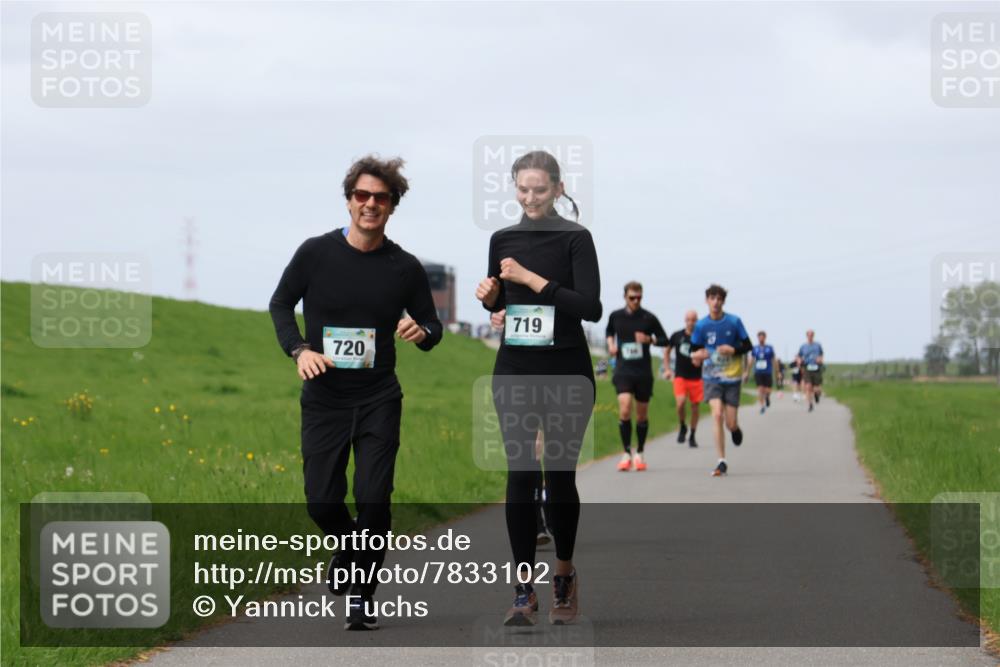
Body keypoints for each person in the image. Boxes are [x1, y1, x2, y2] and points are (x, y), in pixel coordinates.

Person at [269, 156, 443, 631]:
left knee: (373, 500)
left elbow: (433, 326)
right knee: (322, 503)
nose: (370, 204)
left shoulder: (404, 267)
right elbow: (281, 303)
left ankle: (361, 599)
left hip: (378, 398)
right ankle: (349, 547)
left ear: (392, 206)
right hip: (324, 398)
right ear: (349, 200)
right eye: (362, 196)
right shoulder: (315, 253)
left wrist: (420, 331)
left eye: (380, 198)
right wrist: (299, 348)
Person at [476, 150, 601, 626]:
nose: (530, 198)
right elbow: (503, 302)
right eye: (523, 189)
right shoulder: (501, 238)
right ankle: (523, 588)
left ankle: (564, 574)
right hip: (514, 367)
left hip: (566, 369)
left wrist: (531, 278)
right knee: (521, 475)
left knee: (559, 477)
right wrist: (493, 303)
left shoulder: (576, 239)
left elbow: (589, 306)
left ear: (558, 188)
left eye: (540, 190)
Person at [492, 309, 552, 546]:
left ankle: (551, 507)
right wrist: (495, 312)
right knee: (530, 451)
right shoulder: (509, 275)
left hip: (552, 368)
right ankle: (536, 522)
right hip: (516, 369)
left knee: (550, 455)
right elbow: (495, 300)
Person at [690, 284, 752, 477]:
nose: (715, 302)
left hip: (732, 378)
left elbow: (748, 346)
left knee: (730, 423)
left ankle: (735, 429)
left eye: (719, 299)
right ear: (707, 301)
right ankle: (721, 460)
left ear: (723, 301)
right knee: (717, 415)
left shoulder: (734, 322)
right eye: (712, 298)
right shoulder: (701, 326)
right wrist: (698, 356)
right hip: (711, 378)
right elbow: (694, 352)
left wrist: (733, 350)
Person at [605, 281, 668, 472]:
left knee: (641, 414)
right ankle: (626, 453)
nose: (636, 301)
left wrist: (649, 339)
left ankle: (639, 452)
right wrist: (611, 345)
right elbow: (609, 331)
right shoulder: (616, 316)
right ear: (625, 296)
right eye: (632, 297)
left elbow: (665, 339)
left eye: (639, 297)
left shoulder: (648, 318)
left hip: (643, 372)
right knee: (624, 408)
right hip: (623, 370)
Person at [663, 310, 702, 448]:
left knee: (695, 407)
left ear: (697, 321)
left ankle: (692, 434)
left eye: (694, 320)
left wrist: (700, 358)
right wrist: (667, 369)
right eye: (689, 320)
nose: (691, 322)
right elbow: (666, 350)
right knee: (680, 403)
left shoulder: (700, 336)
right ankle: (682, 426)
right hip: (680, 375)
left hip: (697, 377)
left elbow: (708, 352)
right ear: (685, 320)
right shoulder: (677, 335)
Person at [746, 331, 777, 414]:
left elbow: (773, 360)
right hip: (758, 371)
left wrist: (777, 372)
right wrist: (747, 372)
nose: (761, 339)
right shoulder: (755, 348)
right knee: (760, 389)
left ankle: (767, 397)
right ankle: (762, 406)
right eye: (759, 337)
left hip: (768, 371)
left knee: (768, 390)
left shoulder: (769, 348)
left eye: (762, 337)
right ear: (758, 338)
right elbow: (751, 360)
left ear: (765, 337)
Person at [798, 330, 825, 412]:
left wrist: (820, 359)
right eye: (809, 335)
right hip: (807, 368)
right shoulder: (803, 346)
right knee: (808, 387)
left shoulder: (817, 345)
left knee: (817, 388)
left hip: (816, 368)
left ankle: (817, 395)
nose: (810, 336)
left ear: (813, 336)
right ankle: (810, 404)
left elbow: (821, 355)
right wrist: (799, 361)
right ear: (807, 336)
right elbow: (799, 356)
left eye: (811, 335)